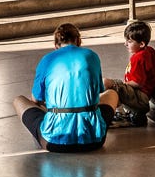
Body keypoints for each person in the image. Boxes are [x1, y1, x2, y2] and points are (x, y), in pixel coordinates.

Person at [13, 23, 119, 152]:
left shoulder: (47, 59)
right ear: (79, 41)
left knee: (19, 100)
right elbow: (98, 92)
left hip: (54, 141)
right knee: (112, 94)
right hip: (94, 139)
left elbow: (36, 99)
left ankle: (48, 128)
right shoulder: (92, 56)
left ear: (56, 45)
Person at [103, 21, 155, 127]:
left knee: (107, 83)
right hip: (144, 96)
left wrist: (121, 85)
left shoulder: (139, 58)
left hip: (140, 97)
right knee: (114, 85)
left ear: (141, 44)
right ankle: (129, 114)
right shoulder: (149, 51)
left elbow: (137, 83)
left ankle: (121, 114)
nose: (125, 44)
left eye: (130, 41)